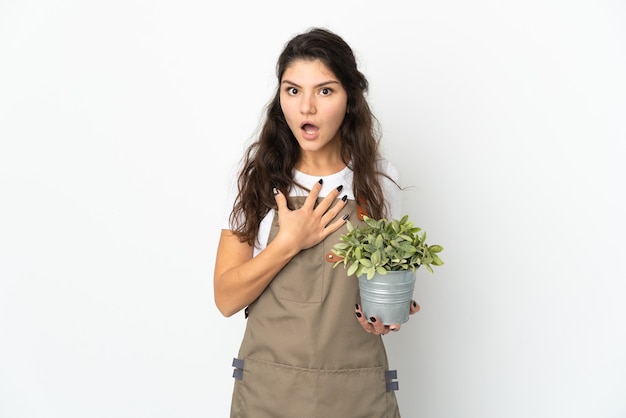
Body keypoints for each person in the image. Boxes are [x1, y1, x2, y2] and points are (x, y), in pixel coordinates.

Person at [213, 27, 420, 418]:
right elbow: (226, 297)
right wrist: (288, 242)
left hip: (356, 392)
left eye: (324, 91)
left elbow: (381, 287)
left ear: (350, 99)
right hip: (269, 395)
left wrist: (387, 312)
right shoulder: (257, 179)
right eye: (293, 90)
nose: (306, 107)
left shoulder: (378, 180)